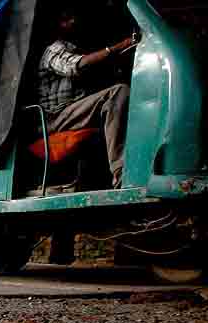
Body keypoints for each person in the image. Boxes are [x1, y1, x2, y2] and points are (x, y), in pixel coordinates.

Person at [36, 4, 138, 187]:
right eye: (66, 19)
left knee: (120, 96)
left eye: (73, 18)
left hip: (71, 112)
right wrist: (116, 47)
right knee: (117, 93)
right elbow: (76, 66)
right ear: (57, 25)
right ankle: (122, 175)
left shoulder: (74, 48)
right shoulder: (54, 50)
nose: (73, 22)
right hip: (56, 118)